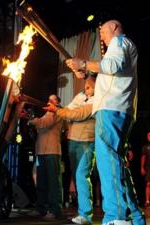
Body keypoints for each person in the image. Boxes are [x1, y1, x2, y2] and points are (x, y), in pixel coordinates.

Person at [65, 20, 145, 225]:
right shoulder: (120, 47)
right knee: (117, 165)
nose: (101, 36)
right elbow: (105, 76)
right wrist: (83, 72)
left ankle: (116, 217)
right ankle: (136, 217)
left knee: (109, 163)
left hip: (112, 109)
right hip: (117, 109)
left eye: (103, 31)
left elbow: (112, 66)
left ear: (115, 28)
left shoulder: (119, 42)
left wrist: (83, 63)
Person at [45, 77, 96, 225]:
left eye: (89, 86)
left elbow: (77, 114)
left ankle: (85, 215)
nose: (86, 89)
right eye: (85, 86)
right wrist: (63, 110)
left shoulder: (97, 100)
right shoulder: (80, 96)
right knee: (77, 176)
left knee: (81, 175)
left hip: (86, 141)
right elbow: (68, 110)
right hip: (73, 140)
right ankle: (82, 212)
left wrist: (59, 110)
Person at [28, 94, 64, 220]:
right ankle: (41, 209)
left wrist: (31, 120)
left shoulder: (57, 112)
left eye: (53, 99)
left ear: (58, 102)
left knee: (53, 183)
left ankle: (55, 210)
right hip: (41, 151)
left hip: (52, 151)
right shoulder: (47, 113)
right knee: (42, 182)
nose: (49, 100)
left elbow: (44, 123)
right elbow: (41, 125)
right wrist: (32, 119)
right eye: (48, 98)